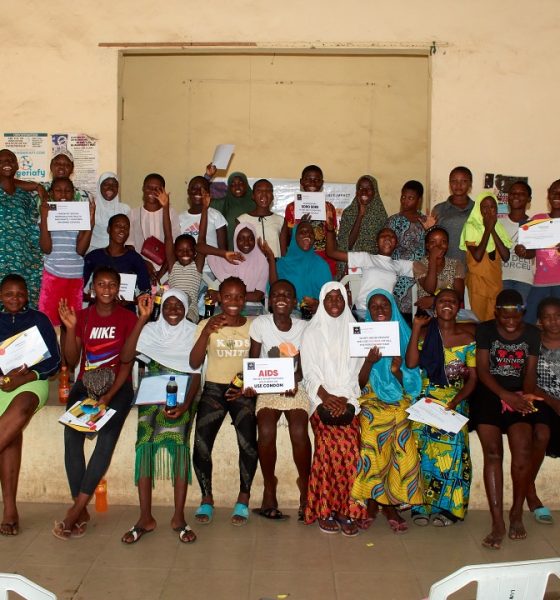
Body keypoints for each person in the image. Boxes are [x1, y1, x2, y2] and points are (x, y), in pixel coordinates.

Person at [53, 266, 149, 540]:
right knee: (72, 436)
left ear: (118, 289)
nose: (106, 289)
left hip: (117, 387)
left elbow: (126, 361)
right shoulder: (82, 316)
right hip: (86, 386)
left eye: (111, 285)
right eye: (101, 284)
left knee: (106, 437)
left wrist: (142, 320)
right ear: (92, 288)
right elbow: (72, 361)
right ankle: (81, 508)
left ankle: (76, 511)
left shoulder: (127, 317)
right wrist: (70, 329)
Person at [120, 289, 202, 544]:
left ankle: (179, 517)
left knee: (179, 445)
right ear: (161, 308)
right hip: (153, 392)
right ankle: (145, 517)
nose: (173, 310)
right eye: (168, 305)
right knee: (144, 445)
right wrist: (142, 319)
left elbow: (197, 374)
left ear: (186, 309)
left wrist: (186, 406)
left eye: (179, 305)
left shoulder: (194, 332)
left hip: (183, 394)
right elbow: (125, 356)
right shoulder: (150, 330)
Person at [471, 289, 542, 549]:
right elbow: (482, 370)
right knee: (493, 453)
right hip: (489, 394)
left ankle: (516, 513)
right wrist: (504, 395)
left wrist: (525, 396)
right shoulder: (485, 330)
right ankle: (497, 522)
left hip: (519, 393)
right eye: (505, 316)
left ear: (523, 313)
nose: (511, 321)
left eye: (516, 316)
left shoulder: (532, 333)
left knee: (523, 452)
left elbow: (530, 372)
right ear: (496, 313)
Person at [351, 289, 423, 533]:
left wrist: (396, 371)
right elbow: (358, 384)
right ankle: (374, 502)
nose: (380, 310)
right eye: (374, 306)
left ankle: (390, 503)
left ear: (393, 307)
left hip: (398, 398)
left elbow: (412, 385)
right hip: (370, 397)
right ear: (368, 311)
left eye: (385, 305)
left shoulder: (403, 334)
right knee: (371, 431)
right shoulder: (361, 336)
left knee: (401, 426)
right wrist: (369, 362)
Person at [189, 277, 257, 526]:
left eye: (239, 296)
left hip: (242, 388)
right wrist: (207, 331)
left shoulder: (253, 326)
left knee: (248, 443)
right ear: (219, 298)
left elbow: (258, 361)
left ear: (245, 298)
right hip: (214, 389)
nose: (233, 301)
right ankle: (206, 498)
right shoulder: (207, 324)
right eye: (227, 296)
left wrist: (248, 382)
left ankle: (243, 498)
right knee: (201, 443)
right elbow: (194, 362)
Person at [406, 289, 477, 526]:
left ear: (459, 307)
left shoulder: (468, 338)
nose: (447, 304)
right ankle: (420, 505)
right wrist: (416, 328)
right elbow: (411, 363)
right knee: (417, 439)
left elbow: (473, 379)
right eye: (442, 301)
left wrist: (455, 402)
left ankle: (450, 508)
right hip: (425, 399)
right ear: (434, 307)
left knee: (454, 444)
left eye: (452, 301)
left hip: (454, 399)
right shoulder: (425, 334)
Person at [301, 281, 366, 536]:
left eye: (339, 298)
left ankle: (345, 510)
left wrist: (345, 399)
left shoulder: (355, 331)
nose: (335, 302)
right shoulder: (311, 332)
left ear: (346, 301)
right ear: (322, 301)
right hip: (320, 399)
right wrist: (327, 397)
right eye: (330, 298)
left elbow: (357, 375)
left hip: (349, 399)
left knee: (351, 446)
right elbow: (309, 373)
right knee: (327, 445)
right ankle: (325, 509)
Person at [246, 279, 311, 521]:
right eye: (276, 294)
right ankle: (269, 485)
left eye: (287, 295)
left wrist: (294, 378)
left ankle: (305, 486)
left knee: (299, 431)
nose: (281, 298)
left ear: (294, 302)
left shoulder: (304, 327)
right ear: (269, 301)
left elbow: (304, 366)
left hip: (295, 385)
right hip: (269, 387)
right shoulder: (260, 324)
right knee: (265, 430)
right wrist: (251, 384)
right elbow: (253, 361)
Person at [0, 274, 60, 536]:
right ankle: (10, 510)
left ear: (28, 295)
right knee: (11, 434)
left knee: (21, 409)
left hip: (31, 383)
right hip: (1, 384)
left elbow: (54, 362)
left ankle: (10, 510)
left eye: (20, 294)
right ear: (1, 296)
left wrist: (24, 378)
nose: (15, 299)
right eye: (9, 294)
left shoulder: (39, 320)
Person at [38, 177, 95, 329]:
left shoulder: (79, 215)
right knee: (48, 323)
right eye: (58, 190)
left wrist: (90, 223)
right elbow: (46, 248)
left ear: (74, 194)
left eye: (68, 190)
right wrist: (44, 218)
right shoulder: (46, 213)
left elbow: (81, 250)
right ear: (51, 193)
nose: (63, 194)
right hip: (53, 276)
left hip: (75, 278)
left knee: (72, 325)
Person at [326, 222, 416, 316]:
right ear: (377, 242)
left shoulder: (399, 264)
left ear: (396, 244)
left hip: (385, 313)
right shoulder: (366, 258)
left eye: (392, 236)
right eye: (383, 236)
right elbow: (331, 252)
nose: (387, 238)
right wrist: (330, 230)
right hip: (363, 311)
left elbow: (423, 267)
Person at [198, 195, 269, 305]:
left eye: (250, 239)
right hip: (226, 306)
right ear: (235, 240)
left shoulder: (262, 261)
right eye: (241, 239)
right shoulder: (228, 258)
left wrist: (222, 296)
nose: (246, 242)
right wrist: (224, 253)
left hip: (252, 308)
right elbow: (199, 246)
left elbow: (258, 295)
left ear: (255, 240)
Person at [527, 297, 560, 523]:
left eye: (558, 316)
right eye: (547, 317)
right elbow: (526, 381)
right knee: (541, 433)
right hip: (540, 398)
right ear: (539, 321)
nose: (554, 321)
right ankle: (530, 493)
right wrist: (552, 401)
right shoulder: (532, 343)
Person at [386, 180, 435, 322]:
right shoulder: (393, 221)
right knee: (400, 317)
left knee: (421, 316)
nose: (405, 201)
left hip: (422, 274)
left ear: (419, 201)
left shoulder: (426, 221)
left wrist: (430, 230)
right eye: (403, 197)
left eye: (410, 198)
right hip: (399, 274)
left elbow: (433, 246)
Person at [0, 149, 44, 308]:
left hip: (23, 262)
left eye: (11, 160)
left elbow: (33, 227)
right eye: (2, 161)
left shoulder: (25, 196)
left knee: (22, 309)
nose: (7, 163)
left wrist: (36, 259)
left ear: (17, 166)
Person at [459, 192, 512, 322]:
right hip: (478, 282)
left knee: (494, 321)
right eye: (484, 207)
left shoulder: (499, 227)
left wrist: (492, 229)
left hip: (495, 282)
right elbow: (477, 256)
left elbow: (505, 256)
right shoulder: (470, 226)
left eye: (492, 207)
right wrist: (487, 229)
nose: (489, 211)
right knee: (478, 321)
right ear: (479, 209)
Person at [83, 214, 151, 310]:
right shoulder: (94, 256)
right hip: (97, 312)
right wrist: (95, 298)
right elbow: (77, 290)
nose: (122, 229)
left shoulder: (135, 258)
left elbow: (146, 293)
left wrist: (131, 301)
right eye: (118, 225)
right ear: (108, 229)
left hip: (125, 312)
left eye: (126, 227)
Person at [279, 165, 338, 274]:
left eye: (317, 180)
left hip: (324, 260)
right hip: (299, 260)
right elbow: (289, 237)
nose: (312, 183)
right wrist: (299, 225)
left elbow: (333, 238)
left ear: (322, 183)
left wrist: (330, 228)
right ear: (301, 182)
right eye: (308, 179)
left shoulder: (329, 208)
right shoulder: (292, 208)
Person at [266, 222, 332, 316]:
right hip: (287, 315)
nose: (307, 234)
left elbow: (330, 297)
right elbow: (273, 289)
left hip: (317, 316)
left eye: (311, 233)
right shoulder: (282, 264)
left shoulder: (321, 265)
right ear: (294, 237)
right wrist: (271, 259)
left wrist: (319, 305)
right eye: (303, 232)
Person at [159, 190, 203, 323]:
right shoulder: (173, 265)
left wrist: (205, 209)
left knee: (186, 320)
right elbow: (168, 237)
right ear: (175, 252)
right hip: (172, 307)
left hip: (190, 310)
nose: (185, 253)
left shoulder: (197, 266)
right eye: (180, 250)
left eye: (189, 250)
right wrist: (165, 207)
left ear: (195, 252)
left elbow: (202, 237)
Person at [129, 173, 180, 283]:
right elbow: (129, 246)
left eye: (157, 188)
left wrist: (161, 273)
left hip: (166, 270)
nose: (152, 191)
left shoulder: (170, 213)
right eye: (149, 187)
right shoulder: (133, 214)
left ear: (163, 191)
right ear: (143, 188)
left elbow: (175, 245)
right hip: (140, 268)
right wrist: (143, 263)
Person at [522, 179, 560, 324]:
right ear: (548, 194)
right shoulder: (537, 220)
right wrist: (523, 251)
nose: (557, 195)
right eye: (554, 191)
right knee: (528, 320)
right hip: (540, 281)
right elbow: (531, 252)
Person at [335, 175, 387, 278]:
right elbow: (348, 244)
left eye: (369, 188)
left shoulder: (381, 215)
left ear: (375, 192)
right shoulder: (348, 213)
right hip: (348, 265)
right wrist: (360, 215)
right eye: (360, 188)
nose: (364, 191)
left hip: (371, 267)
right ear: (356, 192)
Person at [178, 175, 227, 281]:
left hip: (212, 271)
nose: (198, 192)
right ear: (188, 191)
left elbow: (223, 249)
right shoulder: (180, 218)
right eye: (194, 188)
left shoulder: (216, 216)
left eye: (202, 189)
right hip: (187, 271)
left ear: (209, 193)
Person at [431, 166, 475, 266]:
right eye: (454, 181)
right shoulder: (439, 209)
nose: (458, 185)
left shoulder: (478, 209)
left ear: (470, 184)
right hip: (445, 266)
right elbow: (431, 240)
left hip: (471, 267)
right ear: (449, 183)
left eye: (464, 181)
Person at [499, 181, 534, 304]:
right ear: (508, 197)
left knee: (519, 312)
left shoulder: (533, 224)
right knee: (503, 310)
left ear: (529, 199)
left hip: (524, 279)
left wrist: (525, 252)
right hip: (502, 277)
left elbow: (534, 253)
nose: (516, 196)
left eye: (522, 193)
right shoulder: (499, 223)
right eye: (513, 193)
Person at [414, 227, 465, 310]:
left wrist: (434, 300)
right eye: (433, 242)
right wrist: (433, 259)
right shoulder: (419, 264)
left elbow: (459, 295)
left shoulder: (456, 264)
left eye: (443, 242)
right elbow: (430, 289)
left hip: (449, 311)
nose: (438, 246)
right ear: (427, 246)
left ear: (447, 245)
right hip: (427, 312)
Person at [237, 179, 284, 258]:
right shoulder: (241, 220)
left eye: (268, 190)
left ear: (272, 196)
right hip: (252, 264)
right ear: (253, 196)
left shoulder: (281, 220)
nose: (264, 194)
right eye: (259, 190)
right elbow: (238, 250)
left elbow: (283, 252)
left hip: (276, 264)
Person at [210, 172, 255, 250]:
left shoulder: (255, 203)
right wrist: (208, 176)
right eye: (233, 184)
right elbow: (203, 199)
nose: (237, 187)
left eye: (240, 183)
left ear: (246, 185)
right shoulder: (223, 203)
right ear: (229, 188)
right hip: (229, 252)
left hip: (253, 251)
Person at [89, 172, 130, 251]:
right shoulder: (91, 208)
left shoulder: (125, 209)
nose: (110, 187)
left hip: (118, 253)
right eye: (106, 184)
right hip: (93, 251)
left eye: (114, 185)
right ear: (99, 186)